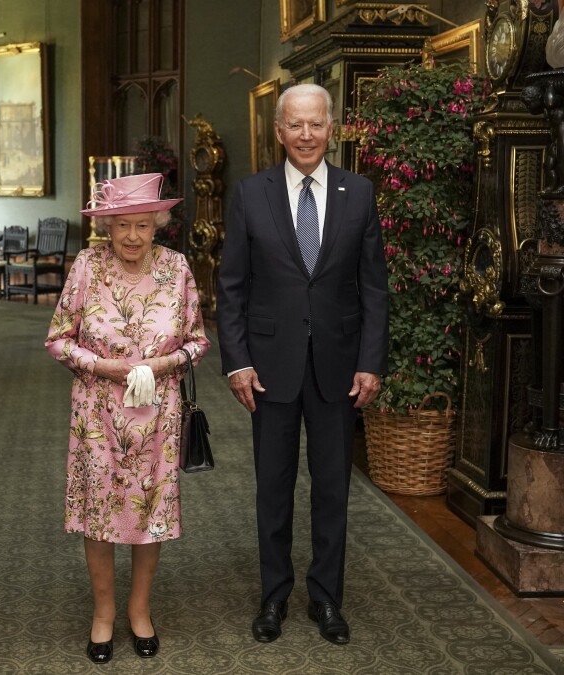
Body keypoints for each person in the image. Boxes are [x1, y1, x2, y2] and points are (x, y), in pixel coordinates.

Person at [216, 84, 388, 646]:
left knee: (334, 489)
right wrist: (237, 362)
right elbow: (232, 286)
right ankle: (273, 597)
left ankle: (326, 599)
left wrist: (370, 362)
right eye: (296, 125)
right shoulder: (250, 193)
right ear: (278, 130)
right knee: (274, 488)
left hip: (340, 369)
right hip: (270, 368)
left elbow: (373, 289)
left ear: (332, 127)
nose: (307, 135)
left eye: (317, 124)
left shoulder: (358, 193)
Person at [46, 173, 210, 664]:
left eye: (143, 225)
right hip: (98, 410)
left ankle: (139, 609)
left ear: (158, 224)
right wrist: (102, 365)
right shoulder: (86, 266)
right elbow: (58, 338)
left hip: (159, 413)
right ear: (108, 228)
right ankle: (103, 612)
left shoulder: (177, 268)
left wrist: (158, 366)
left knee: (149, 511)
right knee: (100, 514)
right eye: (123, 226)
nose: (133, 236)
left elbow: (198, 342)